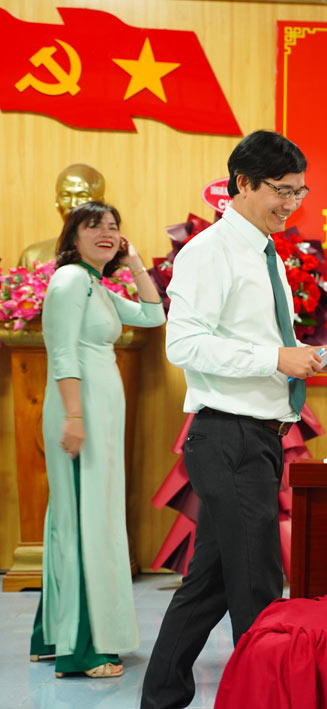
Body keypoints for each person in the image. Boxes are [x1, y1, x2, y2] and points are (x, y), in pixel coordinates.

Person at [141, 130, 327, 709]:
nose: (291, 203)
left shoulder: (265, 252)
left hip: (257, 437)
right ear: (243, 184)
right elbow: (183, 345)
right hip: (227, 436)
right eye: (282, 190)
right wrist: (275, 359)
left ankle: (161, 698)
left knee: (208, 586)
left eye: (300, 192)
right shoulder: (207, 252)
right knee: (256, 585)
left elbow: (258, 340)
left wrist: (309, 354)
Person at [32, 201, 165, 678]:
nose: (107, 232)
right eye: (94, 226)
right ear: (73, 237)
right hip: (80, 413)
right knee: (84, 522)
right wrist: (73, 416)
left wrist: (134, 262)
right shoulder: (70, 280)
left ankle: (54, 636)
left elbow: (153, 315)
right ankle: (83, 651)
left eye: (113, 227)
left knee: (81, 518)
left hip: (98, 417)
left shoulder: (96, 286)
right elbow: (62, 353)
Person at [18, 164, 106, 268]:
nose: (73, 204)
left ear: (100, 203)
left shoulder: (116, 259)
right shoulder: (33, 257)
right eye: (65, 195)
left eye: (82, 195)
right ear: (57, 202)